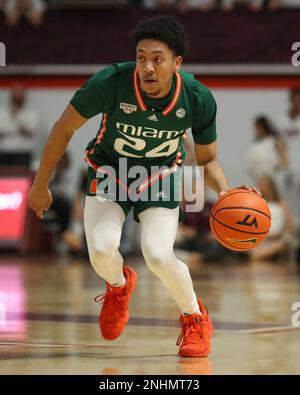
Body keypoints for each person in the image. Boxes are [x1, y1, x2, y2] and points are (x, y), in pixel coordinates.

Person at [28, 15, 259, 358]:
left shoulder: (197, 98)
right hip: (111, 170)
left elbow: (208, 160)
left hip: (161, 175)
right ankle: (119, 287)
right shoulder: (110, 82)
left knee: (158, 254)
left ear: (177, 63)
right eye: (141, 58)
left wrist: (224, 191)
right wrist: (40, 183)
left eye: (158, 58)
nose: (147, 67)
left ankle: (195, 317)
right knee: (103, 250)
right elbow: (64, 127)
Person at [0, 84, 40, 166]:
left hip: (23, 152)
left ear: (24, 96)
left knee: (21, 178)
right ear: (11, 95)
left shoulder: (31, 113)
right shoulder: (2, 112)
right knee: (4, 178)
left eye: (20, 93)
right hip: (4, 151)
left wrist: (15, 117)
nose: (18, 96)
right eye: (15, 93)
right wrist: (18, 129)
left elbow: (31, 131)